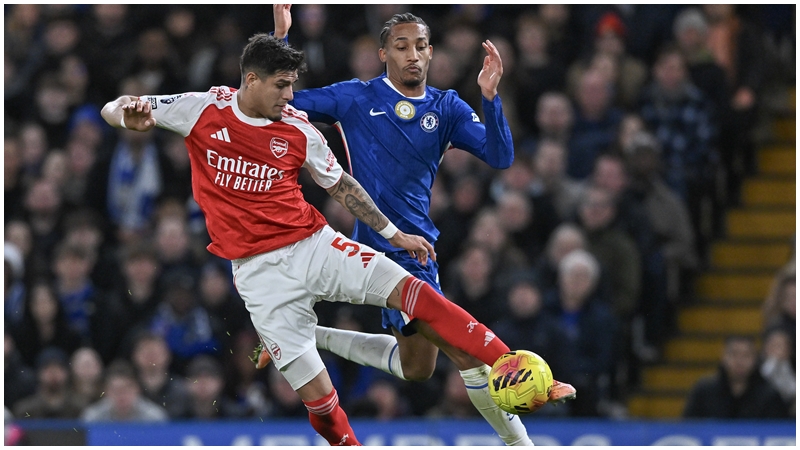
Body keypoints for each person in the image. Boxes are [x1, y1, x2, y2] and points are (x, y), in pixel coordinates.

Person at [101, 32, 535, 446]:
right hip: (258, 276)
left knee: (413, 292)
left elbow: (341, 185)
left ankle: (512, 364)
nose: (290, 96)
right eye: (281, 85)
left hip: (313, 245)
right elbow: (114, 106)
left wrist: (394, 234)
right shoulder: (201, 109)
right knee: (322, 403)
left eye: (292, 85)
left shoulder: (299, 129)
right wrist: (125, 115)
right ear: (251, 80)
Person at [267, 7, 576, 445]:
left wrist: (490, 97)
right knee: (469, 356)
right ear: (383, 54)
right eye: (401, 46)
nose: (413, 54)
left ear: (431, 53)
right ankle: (522, 440)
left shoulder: (446, 107)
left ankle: (305, 335)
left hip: (419, 249)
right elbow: (281, 100)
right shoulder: (354, 98)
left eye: (421, 46)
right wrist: (279, 39)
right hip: (381, 250)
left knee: (417, 367)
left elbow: (500, 156)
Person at [682, 335, 789, 419]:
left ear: (755, 359)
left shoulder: (769, 395)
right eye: (734, 354)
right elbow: (688, 426)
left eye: (746, 355)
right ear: (724, 357)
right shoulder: (704, 391)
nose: (739, 361)